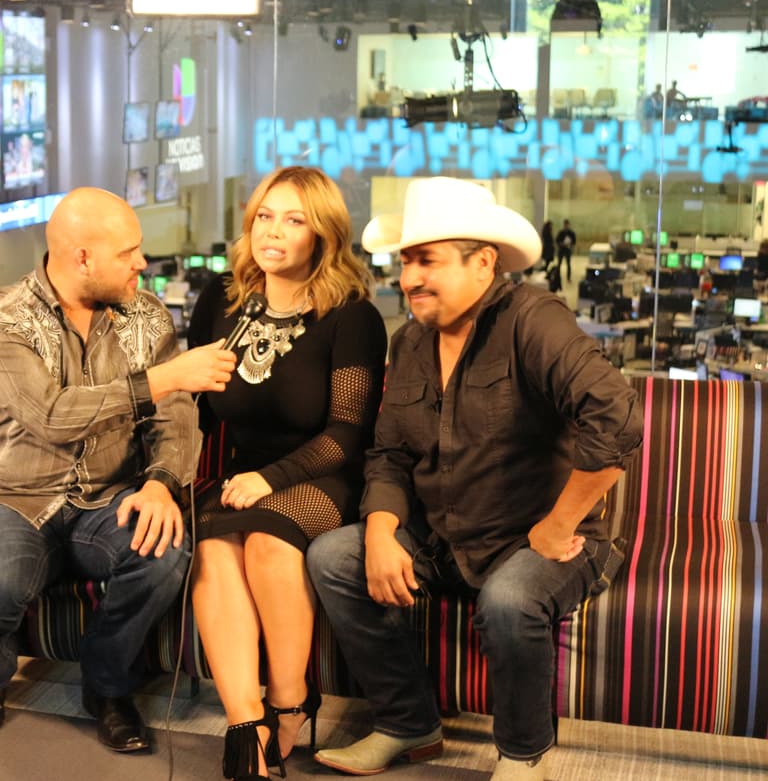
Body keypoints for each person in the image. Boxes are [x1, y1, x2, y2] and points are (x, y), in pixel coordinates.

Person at [306, 177, 642, 780]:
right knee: (335, 556)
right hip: (443, 540)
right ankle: (408, 724)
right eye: (405, 261)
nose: (408, 278)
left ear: (484, 262)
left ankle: (523, 755)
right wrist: (381, 534)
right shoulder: (409, 341)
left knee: (511, 599)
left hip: (541, 541)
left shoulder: (532, 320)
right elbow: (388, 455)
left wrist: (559, 522)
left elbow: (617, 418)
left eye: (426, 260)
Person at [0, 187, 238, 754]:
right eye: (128, 252)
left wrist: (160, 483)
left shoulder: (147, 316)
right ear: (82, 257)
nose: (141, 263)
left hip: (108, 497)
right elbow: (52, 416)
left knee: (163, 553)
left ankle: (105, 686)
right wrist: (163, 379)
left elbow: (175, 416)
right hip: (13, 498)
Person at [186, 167, 387, 780]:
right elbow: (193, 406)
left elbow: (348, 432)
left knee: (270, 543)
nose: (275, 231)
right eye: (266, 216)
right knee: (215, 548)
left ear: (322, 236)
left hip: (325, 474)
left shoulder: (351, 317)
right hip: (245, 475)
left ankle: (291, 702)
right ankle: (246, 726)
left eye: (295, 220)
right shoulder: (221, 301)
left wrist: (271, 480)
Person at [555, 218, 575, 282]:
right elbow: (557, 240)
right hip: (561, 250)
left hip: (568, 250)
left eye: (567, 224)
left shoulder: (571, 233)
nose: (566, 226)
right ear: (564, 225)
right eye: (565, 225)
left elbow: (574, 242)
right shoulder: (561, 232)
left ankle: (568, 278)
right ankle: (557, 277)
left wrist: (570, 244)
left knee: (568, 264)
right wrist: (561, 244)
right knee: (559, 264)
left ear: (569, 225)